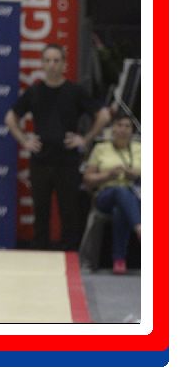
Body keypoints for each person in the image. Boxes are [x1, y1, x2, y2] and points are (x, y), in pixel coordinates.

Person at [5, 44, 111, 250]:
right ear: (42, 64)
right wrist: (24, 140)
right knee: (40, 212)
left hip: (67, 161)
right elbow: (10, 118)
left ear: (64, 64)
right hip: (41, 161)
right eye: (47, 60)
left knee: (69, 212)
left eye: (56, 60)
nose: (52, 65)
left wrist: (86, 139)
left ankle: (69, 256)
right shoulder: (34, 91)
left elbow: (104, 115)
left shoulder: (75, 91)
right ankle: (39, 255)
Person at [82, 114, 142, 273]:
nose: (123, 129)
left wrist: (135, 175)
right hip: (106, 195)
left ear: (132, 131)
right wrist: (108, 175)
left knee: (120, 209)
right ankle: (139, 228)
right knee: (119, 191)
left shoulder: (140, 149)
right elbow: (87, 179)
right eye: (119, 125)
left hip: (135, 195)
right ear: (112, 129)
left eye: (127, 126)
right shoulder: (101, 149)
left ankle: (119, 260)